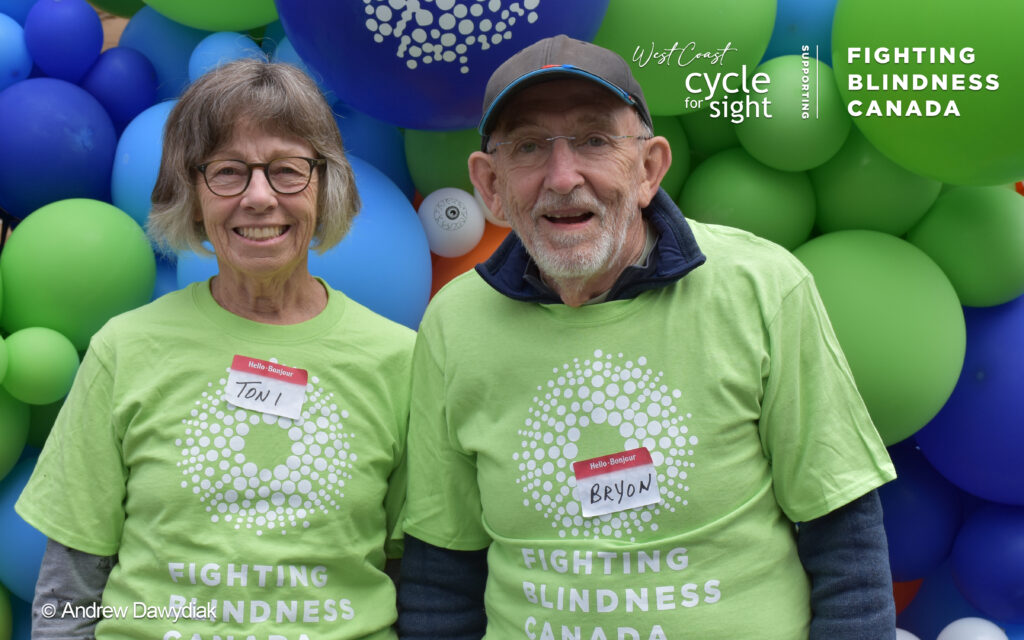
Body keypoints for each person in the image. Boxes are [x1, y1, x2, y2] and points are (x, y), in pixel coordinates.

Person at [398, 35, 897, 639]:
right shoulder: (454, 322)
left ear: (649, 169)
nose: (562, 177)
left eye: (594, 140)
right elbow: (441, 573)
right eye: (529, 146)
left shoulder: (763, 288)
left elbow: (845, 542)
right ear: (490, 185)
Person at [16, 59, 414, 640]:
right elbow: (66, 591)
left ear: (325, 184)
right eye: (228, 171)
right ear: (191, 192)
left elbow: (416, 575)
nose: (259, 197)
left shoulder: (399, 360)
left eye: (286, 170)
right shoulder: (124, 350)